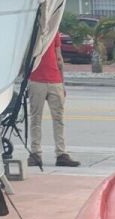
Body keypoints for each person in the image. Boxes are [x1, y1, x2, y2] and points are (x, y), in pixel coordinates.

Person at [27, 31, 79, 168]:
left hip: (53, 79)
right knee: (36, 118)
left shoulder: (53, 31)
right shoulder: (34, 31)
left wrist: (62, 82)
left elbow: (58, 56)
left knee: (57, 119)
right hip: (37, 78)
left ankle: (60, 153)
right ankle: (36, 152)